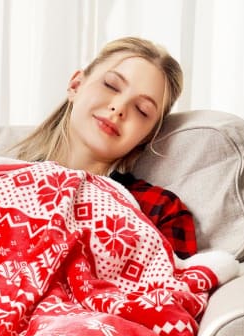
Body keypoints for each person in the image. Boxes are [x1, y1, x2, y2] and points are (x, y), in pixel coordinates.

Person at [12, 36, 197, 258]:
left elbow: (176, 288)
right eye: (111, 85)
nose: (119, 108)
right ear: (75, 85)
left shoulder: (159, 211)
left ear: (146, 137)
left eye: (142, 109)